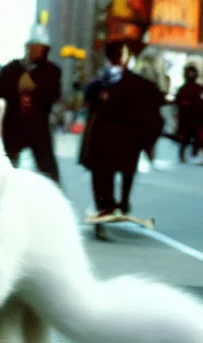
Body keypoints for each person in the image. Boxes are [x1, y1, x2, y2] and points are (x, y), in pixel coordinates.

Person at [79, 40, 164, 238]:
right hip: (102, 137)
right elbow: (89, 99)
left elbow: (153, 104)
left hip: (127, 137)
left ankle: (123, 201)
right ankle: (104, 212)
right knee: (102, 178)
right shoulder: (100, 81)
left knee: (126, 172)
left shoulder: (138, 84)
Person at [0, 23, 61, 182]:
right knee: (6, 164)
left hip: (39, 128)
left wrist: (35, 92)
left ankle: (53, 195)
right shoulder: (12, 68)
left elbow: (54, 95)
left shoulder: (52, 71)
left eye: (39, 47)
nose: (34, 50)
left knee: (48, 168)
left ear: (45, 50)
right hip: (13, 126)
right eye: (32, 46)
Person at [175, 65, 203, 163]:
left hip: (195, 117)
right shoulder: (184, 88)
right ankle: (183, 155)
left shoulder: (198, 88)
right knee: (185, 137)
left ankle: (193, 153)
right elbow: (178, 100)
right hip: (186, 116)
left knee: (195, 137)